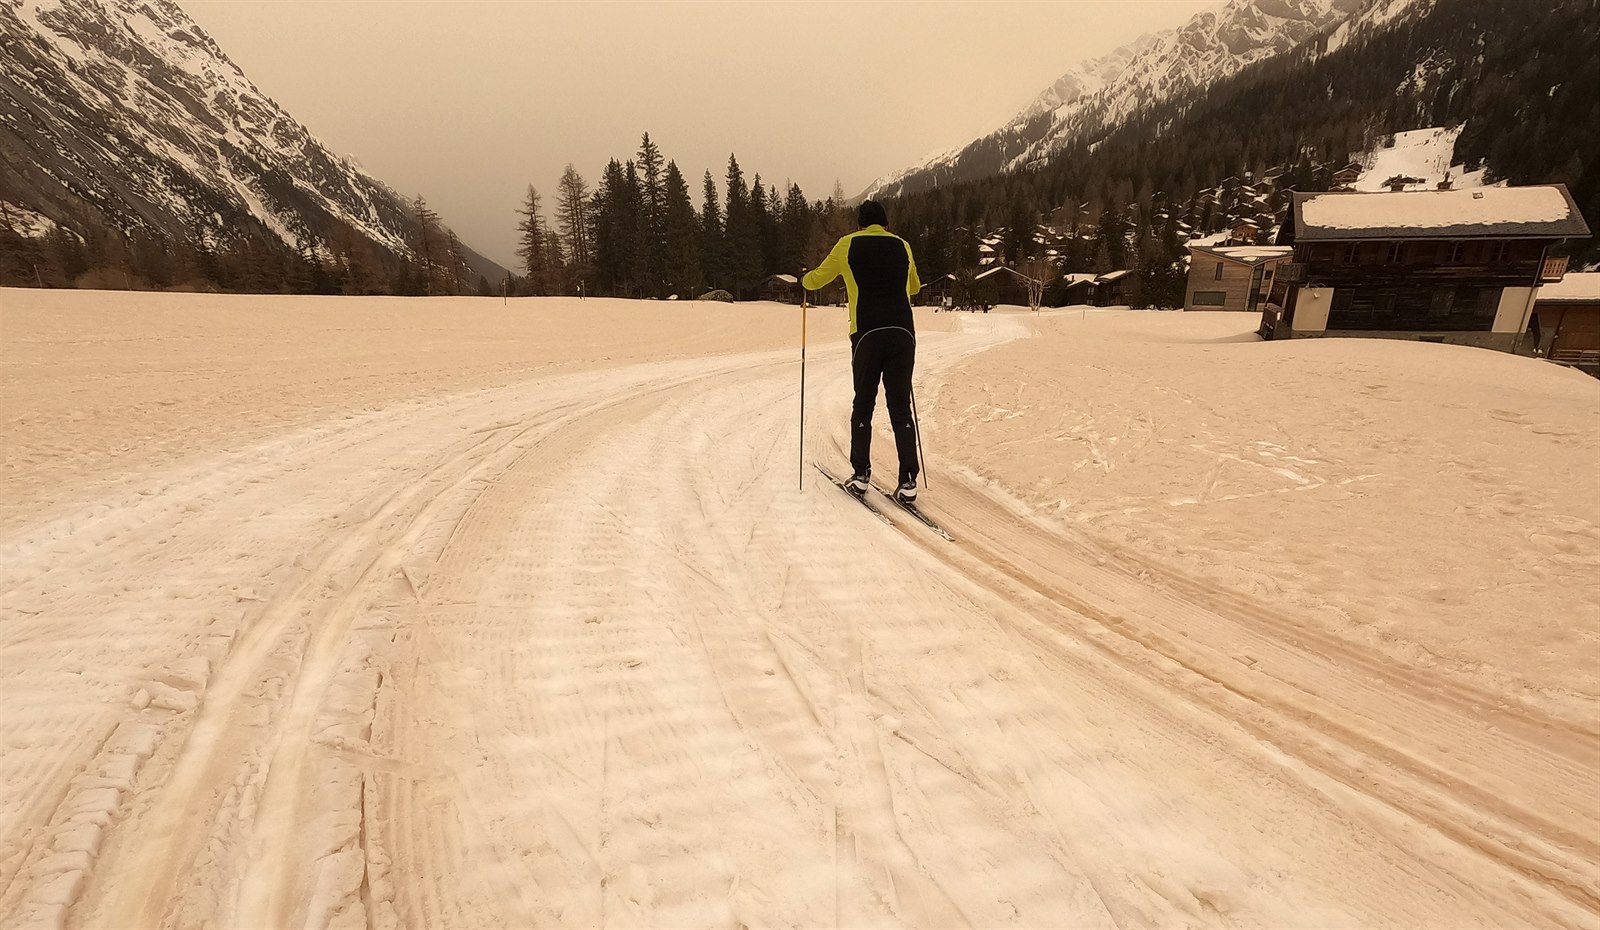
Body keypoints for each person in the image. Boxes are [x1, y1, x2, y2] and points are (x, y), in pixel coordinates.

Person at [802, 199, 922, 502]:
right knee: (899, 406)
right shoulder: (902, 246)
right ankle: (908, 480)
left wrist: (804, 279)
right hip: (902, 333)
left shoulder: (847, 245)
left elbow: (818, 279)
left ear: (859, 224)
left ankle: (861, 475)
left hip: (867, 333)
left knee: (864, 403)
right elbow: (915, 287)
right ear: (885, 225)